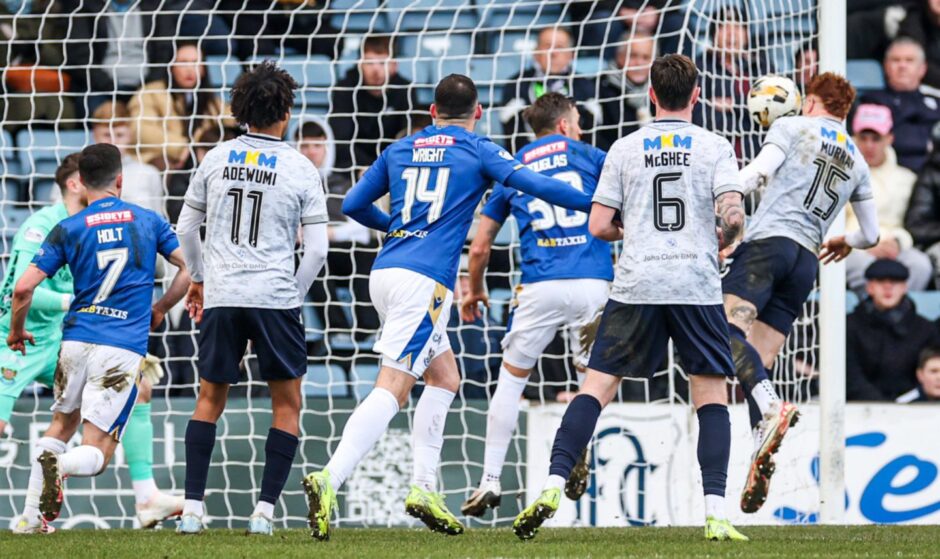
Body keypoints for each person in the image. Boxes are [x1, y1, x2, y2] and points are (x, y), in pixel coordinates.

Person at [302, 73, 594, 541]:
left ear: (432, 113)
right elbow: (539, 185)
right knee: (394, 386)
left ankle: (422, 487)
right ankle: (329, 477)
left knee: (444, 377)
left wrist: (398, 228)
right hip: (424, 282)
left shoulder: (401, 148)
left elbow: (354, 202)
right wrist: (595, 202)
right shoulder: (478, 149)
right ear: (478, 113)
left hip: (385, 271)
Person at [513, 54, 748, 542]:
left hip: (638, 282)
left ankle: (554, 483)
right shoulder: (715, 145)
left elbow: (599, 225)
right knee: (709, 396)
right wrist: (724, 238)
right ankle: (716, 513)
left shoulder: (624, 147)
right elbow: (733, 215)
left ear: (652, 96)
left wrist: (633, 229)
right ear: (697, 96)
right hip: (694, 286)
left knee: (596, 388)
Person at [174, 61, 329, 536]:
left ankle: (193, 510)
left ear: (241, 110)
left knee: (209, 398)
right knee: (286, 404)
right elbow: (318, 249)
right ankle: (263, 512)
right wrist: (293, 295)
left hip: (223, 293)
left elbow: (184, 228)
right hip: (274, 297)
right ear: (286, 110)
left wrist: (200, 278)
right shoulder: (301, 167)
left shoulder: (216, 158)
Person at [6, 144, 190, 531]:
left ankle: (27, 519)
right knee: (98, 451)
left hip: (73, 343)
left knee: (60, 424)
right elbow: (189, 268)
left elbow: (22, 289)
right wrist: (160, 308)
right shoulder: (149, 220)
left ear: (83, 183)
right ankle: (65, 466)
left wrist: (17, 331)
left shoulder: (68, 227)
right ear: (120, 181)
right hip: (120, 346)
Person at [722, 73, 880, 514]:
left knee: (723, 331)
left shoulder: (791, 127)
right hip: (806, 261)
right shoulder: (858, 159)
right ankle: (761, 452)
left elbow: (758, 174)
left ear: (810, 101)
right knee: (759, 360)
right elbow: (872, 233)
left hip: (767, 247)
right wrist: (844, 240)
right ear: (843, 111)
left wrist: (721, 193)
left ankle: (772, 410)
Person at [459, 93, 612, 517]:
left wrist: (474, 290)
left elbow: (481, 246)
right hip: (592, 281)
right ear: (564, 124)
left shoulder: (513, 164)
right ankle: (577, 448)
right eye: (578, 120)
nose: (579, 127)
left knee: (510, 381)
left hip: (539, 286)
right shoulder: (591, 156)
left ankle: (490, 480)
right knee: (593, 385)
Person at [296, 119, 380, 338]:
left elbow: (361, 231)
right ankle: (337, 328)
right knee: (312, 256)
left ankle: (367, 327)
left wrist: (327, 233)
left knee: (368, 248)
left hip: (344, 252)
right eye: (304, 146)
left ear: (327, 146)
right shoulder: (291, 186)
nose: (311, 152)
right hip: (313, 254)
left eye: (317, 145)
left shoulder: (343, 184)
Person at [846, 103, 932, 292]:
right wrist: (862, 244)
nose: (869, 145)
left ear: (889, 139)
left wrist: (898, 243)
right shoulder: (842, 176)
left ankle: (899, 315)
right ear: (854, 139)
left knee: (921, 265)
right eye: (863, 137)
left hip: (897, 246)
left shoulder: (907, 179)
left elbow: (911, 224)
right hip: (854, 248)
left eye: (876, 138)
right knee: (857, 266)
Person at [129, 41, 231, 171]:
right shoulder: (151, 93)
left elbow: (232, 117)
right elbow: (139, 129)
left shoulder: (212, 102)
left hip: (200, 162)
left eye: (195, 62)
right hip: (159, 161)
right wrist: (181, 147)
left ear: (203, 69)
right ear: (171, 67)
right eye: (183, 62)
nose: (189, 69)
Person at [847, 259, 940, 401]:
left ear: (904, 287)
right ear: (869, 287)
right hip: (858, 408)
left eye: (895, 282)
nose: (888, 287)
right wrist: (880, 406)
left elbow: (927, 375)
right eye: (880, 281)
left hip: (914, 410)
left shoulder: (925, 329)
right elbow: (850, 375)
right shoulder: (849, 326)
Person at [60, 0, 175, 114]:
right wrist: (110, 87)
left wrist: (145, 87)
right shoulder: (84, 6)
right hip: (99, 89)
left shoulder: (157, 6)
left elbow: (165, 54)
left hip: (147, 89)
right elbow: (80, 56)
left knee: (154, 116)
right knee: (103, 115)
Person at [329, 35, 418, 178]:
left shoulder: (406, 90)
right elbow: (341, 140)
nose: (375, 70)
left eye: (382, 63)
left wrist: (386, 168)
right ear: (360, 65)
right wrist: (366, 169)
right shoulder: (344, 89)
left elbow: (407, 138)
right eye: (369, 63)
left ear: (394, 66)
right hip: (354, 168)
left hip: (393, 167)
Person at [500, 27, 600, 153]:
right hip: (531, 158)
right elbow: (511, 132)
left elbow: (594, 133)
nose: (553, 53)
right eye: (547, 46)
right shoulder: (517, 84)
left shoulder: (585, 86)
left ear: (571, 54)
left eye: (560, 47)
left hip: (575, 158)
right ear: (536, 53)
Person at [693, 7, 766, 161]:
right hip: (712, 158)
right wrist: (748, 117)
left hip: (757, 160)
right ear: (713, 34)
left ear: (747, 34)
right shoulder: (699, 68)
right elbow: (698, 116)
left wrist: (734, 105)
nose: (731, 33)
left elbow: (773, 113)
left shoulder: (762, 68)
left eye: (738, 27)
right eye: (723, 26)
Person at [862, 38, 940, 172]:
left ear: (922, 68)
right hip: (892, 173)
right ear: (886, 66)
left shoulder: (936, 99)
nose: (902, 65)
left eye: (909, 60)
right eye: (896, 60)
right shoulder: (872, 100)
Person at [85, 101, 165, 216]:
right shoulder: (80, 172)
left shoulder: (148, 173)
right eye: (107, 135)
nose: (113, 142)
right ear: (95, 135)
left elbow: (158, 218)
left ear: (130, 136)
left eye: (119, 135)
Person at [598, 32, 655, 150]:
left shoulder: (662, 90)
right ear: (619, 56)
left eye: (646, 57)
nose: (639, 63)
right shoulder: (599, 89)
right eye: (633, 56)